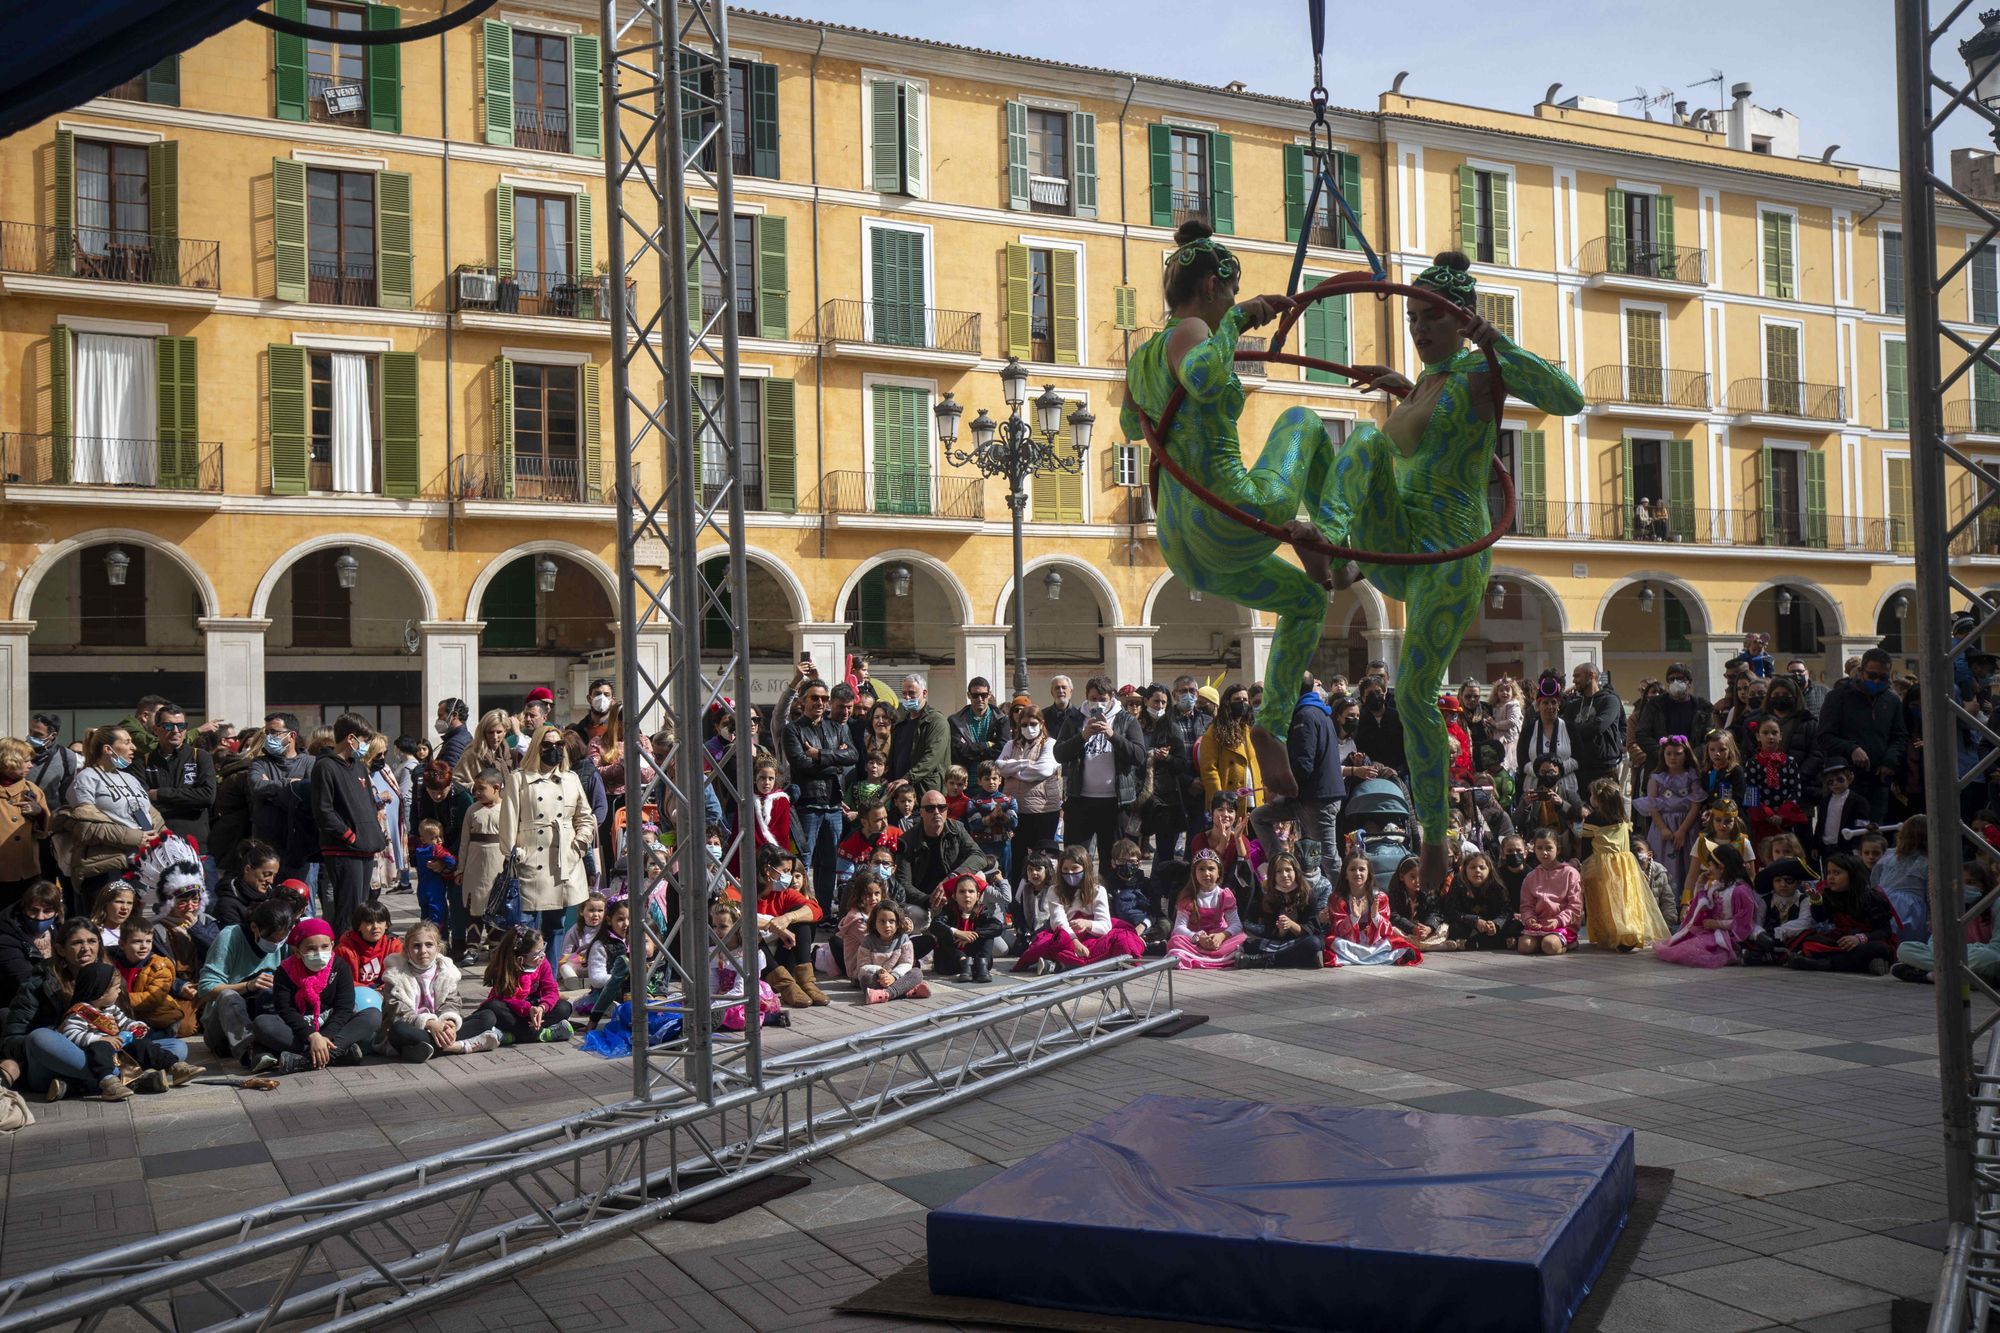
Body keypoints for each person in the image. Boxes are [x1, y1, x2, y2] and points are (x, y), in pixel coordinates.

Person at [498, 724, 595, 950]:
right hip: (529, 860)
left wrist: (579, 845)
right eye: (547, 745)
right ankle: (525, 971)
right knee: (524, 930)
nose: (554, 749)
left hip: (563, 860)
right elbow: (508, 821)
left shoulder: (571, 778)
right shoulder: (519, 779)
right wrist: (513, 852)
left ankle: (550, 972)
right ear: (536, 747)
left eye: (559, 744)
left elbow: (585, 817)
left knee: (556, 926)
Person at [247, 916, 383, 1073]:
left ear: (332, 945)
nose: (319, 953)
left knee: (372, 1015)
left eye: (325, 947)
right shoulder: (284, 972)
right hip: (299, 1029)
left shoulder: (340, 967)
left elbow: (344, 1008)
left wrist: (325, 1037)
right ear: (297, 951)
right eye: (311, 949)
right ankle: (337, 1054)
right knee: (262, 1023)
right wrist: (312, 1036)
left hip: (331, 1026)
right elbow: (286, 1010)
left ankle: (304, 1060)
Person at [1054, 676, 1146, 869]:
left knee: (1113, 861)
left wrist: (1112, 735)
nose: (1098, 704)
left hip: (1115, 803)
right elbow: (1059, 754)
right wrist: (1082, 736)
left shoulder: (1126, 720)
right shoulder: (1074, 719)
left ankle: (1110, 888)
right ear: (1086, 697)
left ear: (1112, 697)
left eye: (1102, 699)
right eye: (1093, 699)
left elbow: (1138, 755)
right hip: (1081, 801)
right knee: (1077, 859)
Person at [785, 676, 858, 915]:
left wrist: (819, 755)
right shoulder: (793, 729)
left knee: (828, 863)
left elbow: (853, 756)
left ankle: (824, 912)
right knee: (803, 863)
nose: (820, 703)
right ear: (802, 701)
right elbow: (800, 764)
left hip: (834, 805)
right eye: (814, 698)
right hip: (808, 805)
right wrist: (834, 761)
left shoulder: (836, 726)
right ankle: (799, 910)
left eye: (824, 698)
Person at [310, 713, 384, 941]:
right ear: (351, 738)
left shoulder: (359, 767)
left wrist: (373, 835)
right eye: (364, 740)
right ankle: (342, 954)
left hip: (365, 848)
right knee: (348, 910)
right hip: (343, 849)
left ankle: (359, 953)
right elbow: (324, 811)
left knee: (363, 910)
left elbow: (369, 803)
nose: (366, 746)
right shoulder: (325, 766)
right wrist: (350, 836)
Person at [1817, 648, 1908, 823]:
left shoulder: (1892, 701)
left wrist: (1890, 760)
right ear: (1861, 671)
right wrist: (1851, 749)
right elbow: (1824, 736)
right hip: (1844, 782)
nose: (1876, 681)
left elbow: (1900, 736)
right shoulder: (1838, 697)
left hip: (1878, 781)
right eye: (1872, 675)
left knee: (1875, 831)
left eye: (1882, 677)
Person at [1579, 779, 1671, 952]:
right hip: (1625, 865)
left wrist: (1583, 864)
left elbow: (1586, 846)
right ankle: (1628, 932)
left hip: (1600, 866)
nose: (1590, 798)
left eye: (1592, 795)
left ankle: (1609, 935)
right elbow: (1628, 843)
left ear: (1598, 799)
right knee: (1625, 899)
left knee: (1604, 900)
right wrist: (1637, 867)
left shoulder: (1592, 819)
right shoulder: (1623, 818)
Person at [1787, 853, 1896, 975]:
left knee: (1880, 949)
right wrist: (1816, 901)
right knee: (1809, 943)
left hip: (1865, 940)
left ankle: (1824, 964)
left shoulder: (1873, 899)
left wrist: (1859, 939)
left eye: (1837, 873)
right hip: (1842, 939)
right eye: (1829, 872)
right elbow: (1820, 918)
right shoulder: (1829, 894)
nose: (1831, 877)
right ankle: (1865, 964)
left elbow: (1885, 931)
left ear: (1852, 875)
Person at [1654, 844, 1758, 968]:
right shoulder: (1716, 886)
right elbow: (1702, 909)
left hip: (1729, 937)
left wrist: (1717, 924)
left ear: (1721, 867)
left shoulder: (1740, 890)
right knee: (1681, 944)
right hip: (1710, 931)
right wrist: (1700, 885)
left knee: (1693, 950)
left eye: (1711, 865)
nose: (1709, 869)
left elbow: (1745, 923)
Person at [468, 923, 573, 1044]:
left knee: (564, 1007)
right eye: (536, 954)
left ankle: (512, 1035)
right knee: (493, 1006)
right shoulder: (505, 968)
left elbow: (551, 990)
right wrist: (528, 1009)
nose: (542, 955)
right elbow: (506, 998)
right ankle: (539, 1034)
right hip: (513, 1010)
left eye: (543, 949)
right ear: (520, 957)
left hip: (533, 1010)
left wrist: (542, 1008)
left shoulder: (542, 963)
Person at [892, 791, 981, 923]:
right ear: (921, 812)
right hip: (924, 898)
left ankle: (973, 924)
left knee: (980, 876)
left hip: (955, 891)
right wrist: (929, 900)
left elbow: (979, 856)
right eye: (930, 808)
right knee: (916, 915)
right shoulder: (907, 840)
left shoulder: (957, 828)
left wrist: (952, 878)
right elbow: (903, 882)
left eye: (942, 807)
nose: (936, 812)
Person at [754, 847, 825, 1008]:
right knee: (748, 931)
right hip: (757, 966)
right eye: (785, 871)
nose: (789, 877)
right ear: (767, 870)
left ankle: (806, 982)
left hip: (782, 956)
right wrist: (773, 926)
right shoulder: (740, 889)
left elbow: (816, 910)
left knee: (800, 916)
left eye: (790, 872)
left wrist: (788, 917)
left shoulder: (784, 893)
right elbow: (736, 918)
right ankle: (786, 985)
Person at [997, 706, 1063, 878]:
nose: (1029, 728)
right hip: (1016, 811)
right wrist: (1024, 764)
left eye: (1033, 723)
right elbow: (1000, 768)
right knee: (1018, 861)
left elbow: (1042, 770)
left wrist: (1013, 768)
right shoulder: (1011, 744)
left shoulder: (1050, 743)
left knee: (1042, 861)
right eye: (1024, 724)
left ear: (1041, 723)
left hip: (1043, 811)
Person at [1323, 855, 1421, 967]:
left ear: (1368, 873)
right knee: (1333, 942)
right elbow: (1337, 930)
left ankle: (1354, 958)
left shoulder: (1379, 897)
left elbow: (1387, 930)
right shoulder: (1337, 899)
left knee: (1396, 942)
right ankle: (1381, 958)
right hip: (1349, 941)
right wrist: (1353, 917)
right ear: (1345, 874)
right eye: (1352, 869)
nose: (1357, 873)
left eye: (1362, 869)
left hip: (1373, 941)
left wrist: (1376, 917)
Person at [1237, 850, 1326, 969]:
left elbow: (1312, 927)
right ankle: (1303, 959)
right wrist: (1281, 931)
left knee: (1313, 943)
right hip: (1279, 942)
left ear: (1296, 872)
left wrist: (1291, 925)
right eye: (1278, 871)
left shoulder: (1307, 895)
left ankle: (1260, 961)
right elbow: (1267, 928)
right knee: (1249, 944)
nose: (1284, 875)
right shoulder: (1268, 896)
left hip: (1300, 940)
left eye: (1288, 870)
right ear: (1272, 875)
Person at [1166, 849, 1246, 969]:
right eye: (1201, 869)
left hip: (1218, 939)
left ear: (1219, 872)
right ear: (1194, 873)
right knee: (1176, 941)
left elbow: (1236, 924)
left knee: (1242, 938)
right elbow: (1179, 927)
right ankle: (1212, 957)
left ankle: (1202, 957)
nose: (1206, 873)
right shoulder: (1188, 897)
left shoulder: (1225, 895)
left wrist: (1222, 936)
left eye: (1211, 869)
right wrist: (1197, 937)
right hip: (1195, 940)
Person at [1632, 663, 1711, 782]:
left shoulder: (1702, 707)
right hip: (1659, 769)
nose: (1675, 682)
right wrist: (1666, 754)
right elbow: (1642, 734)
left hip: (1693, 769)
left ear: (1689, 682)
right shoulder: (1654, 705)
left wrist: (1689, 755)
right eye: (1671, 679)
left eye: (1680, 679)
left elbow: (1709, 737)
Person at [0, 739, 50, 909]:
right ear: (9, 761)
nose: (31, 765)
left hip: (27, 872)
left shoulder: (32, 789)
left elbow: (44, 831)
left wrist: (39, 813)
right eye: (26, 761)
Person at [1517, 828, 1583, 955]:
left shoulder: (1570, 873)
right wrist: (1530, 919)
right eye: (1539, 848)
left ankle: (1569, 944)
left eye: (1548, 848)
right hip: (1539, 926)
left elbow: (1576, 906)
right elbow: (1526, 905)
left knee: (1550, 945)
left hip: (1563, 925)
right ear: (1534, 849)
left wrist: (1558, 920)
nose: (1544, 852)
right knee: (1524, 946)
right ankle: (1543, 944)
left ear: (1558, 849)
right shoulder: (1531, 877)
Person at [929, 871, 1003, 982]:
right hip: (952, 961)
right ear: (954, 896)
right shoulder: (949, 910)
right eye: (962, 892)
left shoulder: (982, 911)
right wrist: (958, 933)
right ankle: (964, 961)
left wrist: (975, 934)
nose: (967, 895)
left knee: (988, 933)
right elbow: (935, 925)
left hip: (976, 959)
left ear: (978, 895)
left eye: (971, 891)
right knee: (944, 932)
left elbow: (997, 926)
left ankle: (983, 962)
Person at [1563, 664, 1625, 794]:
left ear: (1591, 675)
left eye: (1577, 676)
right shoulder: (1573, 705)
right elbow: (1565, 730)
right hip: (1579, 768)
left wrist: (1575, 731)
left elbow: (1598, 726)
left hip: (1604, 769)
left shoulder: (1610, 700)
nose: (1574, 681)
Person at [853, 902, 930, 1003]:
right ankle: (907, 991)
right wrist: (880, 972)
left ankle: (885, 994)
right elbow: (863, 966)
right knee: (866, 979)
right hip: (878, 979)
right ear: (874, 923)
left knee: (917, 973)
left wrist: (893, 976)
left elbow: (906, 963)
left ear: (898, 923)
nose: (887, 925)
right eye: (882, 921)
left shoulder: (903, 939)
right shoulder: (868, 941)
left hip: (897, 977)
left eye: (891, 921)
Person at [1443, 850, 1519, 951]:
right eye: (1472, 867)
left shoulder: (1496, 884)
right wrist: (1474, 921)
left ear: (1489, 870)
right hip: (1468, 923)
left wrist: (1495, 924)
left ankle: (1471, 944)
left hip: (1490, 924)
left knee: (1514, 925)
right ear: (1465, 870)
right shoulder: (1458, 882)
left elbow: (1507, 910)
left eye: (1482, 868)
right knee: (1453, 927)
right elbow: (1451, 910)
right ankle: (1495, 943)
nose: (1477, 871)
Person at [888, 675, 951, 794]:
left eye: (912, 693)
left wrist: (908, 778)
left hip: (926, 790)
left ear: (924, 693)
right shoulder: (901, 722)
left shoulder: (936, 721)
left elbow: (932, 756)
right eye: (904, 693)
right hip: (901, 791)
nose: (907, 697)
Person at [949, 677, 1012, 774]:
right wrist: (986, 745)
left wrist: (973, 751)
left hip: (992, 776)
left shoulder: (1002, 720)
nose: (980, 699)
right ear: (969, 695)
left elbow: (1002, 747)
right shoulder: (955, 721)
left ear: (989, 694)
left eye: (983, 695)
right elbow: (959, 748)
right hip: (965, 776)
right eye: (975, 695)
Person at [1044, 675, 1085, 742]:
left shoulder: (1080, 715)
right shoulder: (1043, 716)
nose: (1061, 691)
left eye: (1064, 687)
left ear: (1071, 692)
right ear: (1052, 693)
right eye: (1057, 688)